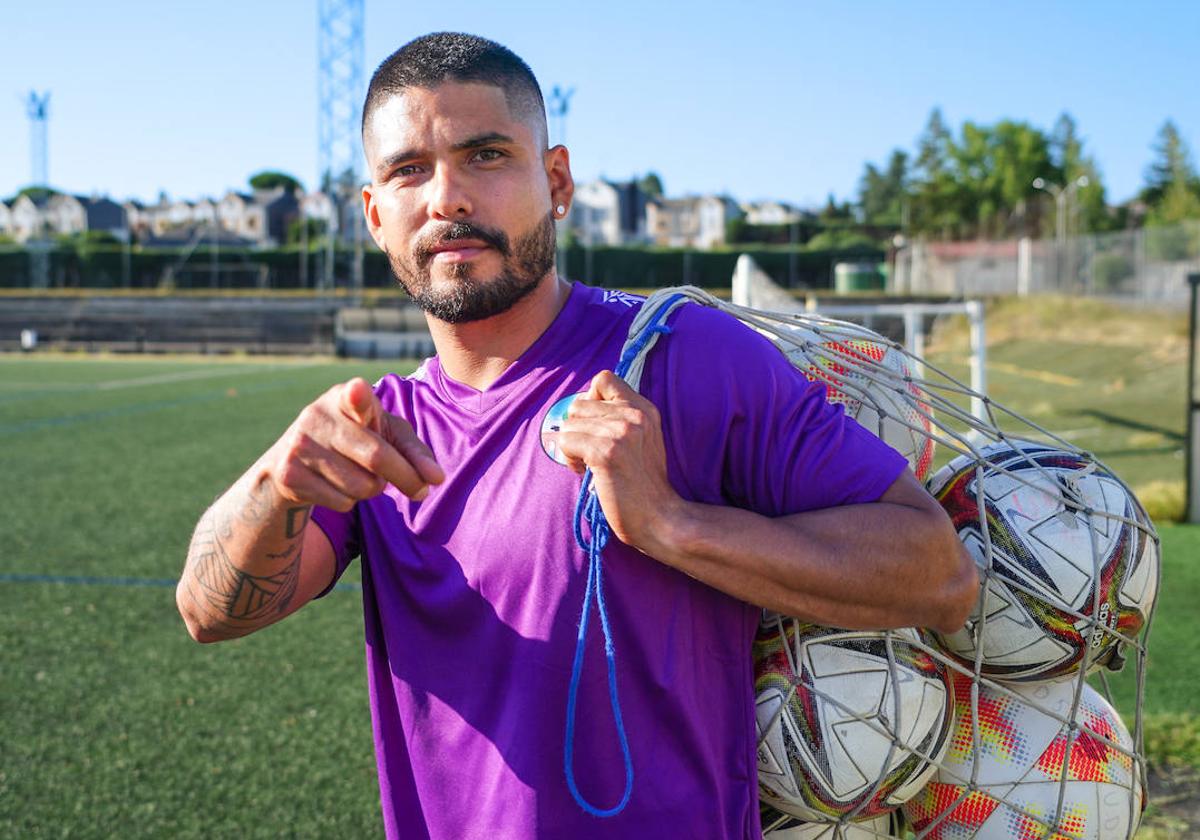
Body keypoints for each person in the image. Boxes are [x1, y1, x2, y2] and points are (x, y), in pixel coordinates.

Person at [176, 32, 977, 840]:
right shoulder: (377, 430)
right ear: (376, 214)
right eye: (409, 169)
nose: (447, 196)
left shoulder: (683, 356)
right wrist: (276, 487)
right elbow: (209, 612)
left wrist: (672, 524)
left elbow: (937, 574)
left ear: (555, 182)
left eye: (485, 155)